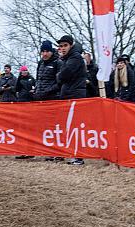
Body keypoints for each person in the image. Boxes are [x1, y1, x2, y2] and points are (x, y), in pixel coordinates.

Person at [56, 35, 87, 165]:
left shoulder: (75, 58)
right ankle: (73, 154)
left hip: (75, 95)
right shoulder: (67, 58)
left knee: (75, 127)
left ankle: (78, 156)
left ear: (71, 46)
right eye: (61, 46)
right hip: (68, 94)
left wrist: (59, 75)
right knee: (69, 126)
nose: (62, 48)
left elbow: (63, 74)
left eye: (65, 46)